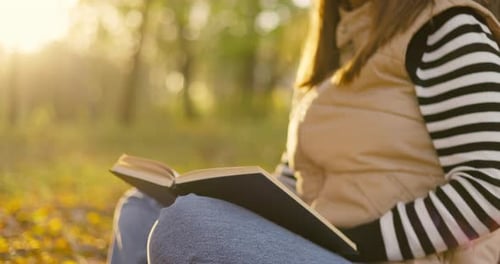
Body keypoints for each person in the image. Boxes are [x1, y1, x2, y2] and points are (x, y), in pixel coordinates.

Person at [108, 0, 500, 263]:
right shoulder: (335, 49)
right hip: (326, 247)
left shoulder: (445, 29)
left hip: (379, 255)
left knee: (188, 225)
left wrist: (360, 245)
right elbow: (294, 179)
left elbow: (490, 187)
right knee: (140, 210)